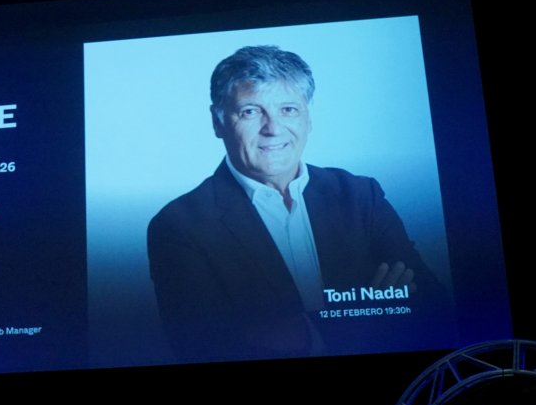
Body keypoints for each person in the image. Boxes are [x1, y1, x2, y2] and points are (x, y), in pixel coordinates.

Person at [146, 45, 445, 362]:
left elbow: (435, 306)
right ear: (218, 121)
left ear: (307, 117)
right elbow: (205, 350)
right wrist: (368, 315)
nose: (273, 128)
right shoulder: (179, 226)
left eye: (288, 109)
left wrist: (302, 332)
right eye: (250, 111)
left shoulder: (360, 195)